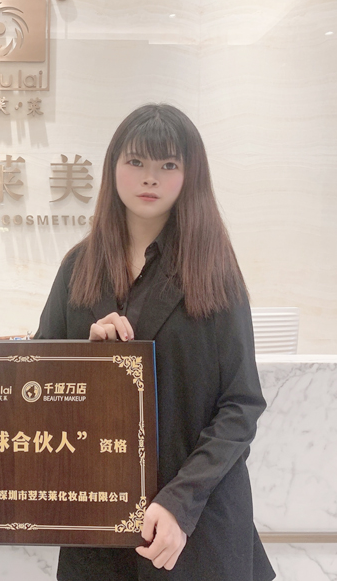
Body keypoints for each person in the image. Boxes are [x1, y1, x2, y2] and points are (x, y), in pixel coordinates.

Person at [35, 104, 275, 581]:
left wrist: (180, 501)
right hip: (98, 522)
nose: (150, 177)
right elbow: (37, 383)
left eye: (168, 164)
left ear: (190, 174)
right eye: (136, 161)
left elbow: (240, 404)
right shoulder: (78, 267)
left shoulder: (214, 270)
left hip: (195, 524)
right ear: (113, 167)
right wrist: (85, 356)